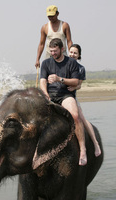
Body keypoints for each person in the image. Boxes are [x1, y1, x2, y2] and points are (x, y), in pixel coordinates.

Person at [40, 38, 87, 166]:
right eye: (51, 51)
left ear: (62, 49)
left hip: (66, 95)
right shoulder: (45, 63)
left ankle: (83, 149)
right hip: (50, 95)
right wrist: (45, 93)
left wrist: (59, 79)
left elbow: (76, 82)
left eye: (55, 51)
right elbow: (42, 80)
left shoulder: (71, 62)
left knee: (75, 116)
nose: (53, 53)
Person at [68, 44, 101, 157]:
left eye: (75, 53)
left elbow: (79, 85)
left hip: (72, 96)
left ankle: (95, 143)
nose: (72, 54)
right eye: (71, 52)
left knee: (81, 117)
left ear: (79, 55)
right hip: (60, 96)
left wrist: (74, 87)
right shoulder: (63, 63)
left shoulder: (81, 68)